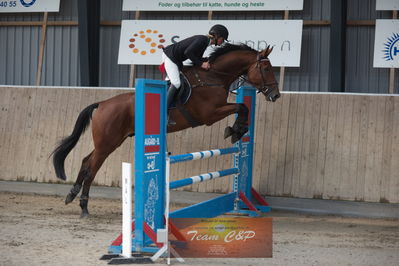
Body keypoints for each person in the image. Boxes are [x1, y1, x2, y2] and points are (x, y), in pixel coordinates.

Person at [162, 24, 229, 126]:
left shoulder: (205, 42)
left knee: (174, 82)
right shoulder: (202, 40)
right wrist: (202, 64)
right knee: (176, 83)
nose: (222, 42)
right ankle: (163, 114)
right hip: (170, 57)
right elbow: (188, 52)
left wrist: (208, 60)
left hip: (176, 60)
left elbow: (196, 57)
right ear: (217, 36)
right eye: (222, 39)